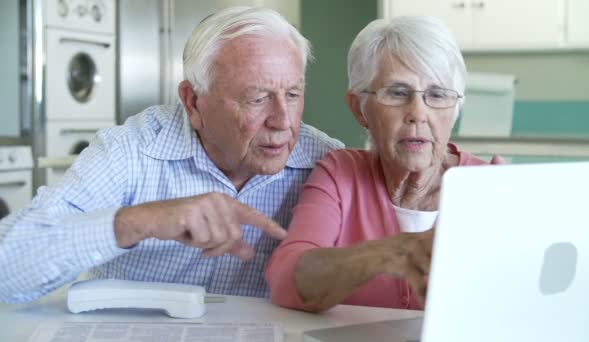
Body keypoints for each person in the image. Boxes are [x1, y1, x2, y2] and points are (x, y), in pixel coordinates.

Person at [0, 6, 343, 304]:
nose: (283, 120)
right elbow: (6, 270)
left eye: (294, 94)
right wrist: (141, 220)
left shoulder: (326, 165)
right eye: (256, 99)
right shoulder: (130, 151)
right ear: (194, 101)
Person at [265, 16, 505, 313]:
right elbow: (287, 280)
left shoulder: (489, 185)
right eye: (397, 93)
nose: (418, 113)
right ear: (359, 108)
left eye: (437, 95)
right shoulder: (341, 175)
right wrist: (383, 254)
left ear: (454, 110)